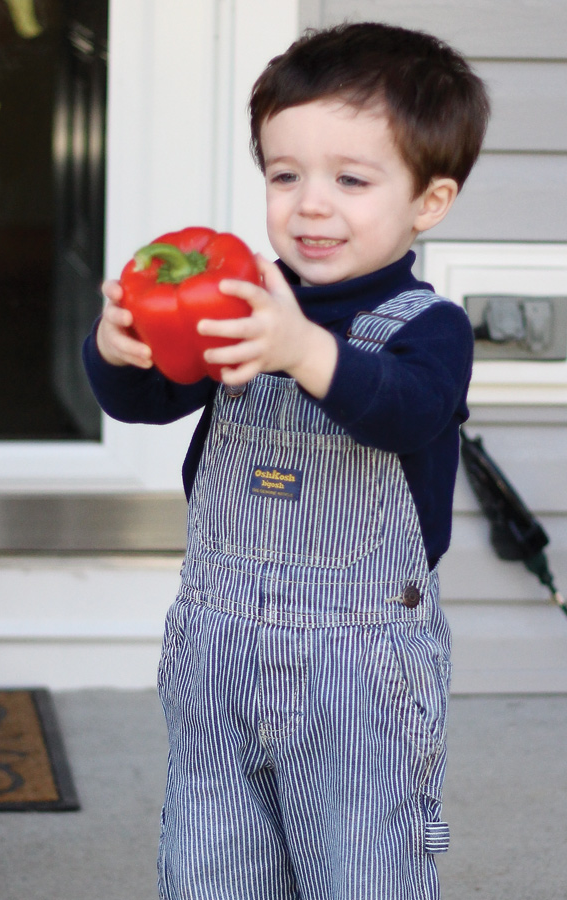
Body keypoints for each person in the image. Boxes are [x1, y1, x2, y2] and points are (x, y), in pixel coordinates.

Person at [83, 21, 489, 900]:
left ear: (430, 201)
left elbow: (404, 411)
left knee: (361, 865)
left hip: (360, 673)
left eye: (351, 179)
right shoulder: (236, 295)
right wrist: (119, 351)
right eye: (284, 175)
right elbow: (147, 401)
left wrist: (303, 351)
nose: (310, 204)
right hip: (217, 652)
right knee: (208, 856)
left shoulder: (430, 330)